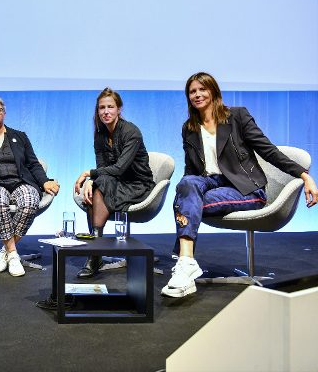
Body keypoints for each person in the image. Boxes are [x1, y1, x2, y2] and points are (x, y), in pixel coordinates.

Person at [162, 72, 318, 298]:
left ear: (213, 91)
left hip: (245, 188)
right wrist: (186, 190)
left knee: (185, 204)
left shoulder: (237, 116)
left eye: (202, 89)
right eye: (192, 91)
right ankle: (187, 262)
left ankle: (185, 264)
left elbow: (268, 150)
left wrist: (304, 175)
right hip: (210, 183)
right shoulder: (189, 128)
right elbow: (191, 170)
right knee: (186, 187)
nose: (197, 95)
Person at [0, 95, 60, 277]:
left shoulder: (20, 136)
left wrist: (45, 180)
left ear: (4, 113)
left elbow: (32, 164)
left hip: (21, 182)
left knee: (31, 200)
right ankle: (14, 256)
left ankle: (6, 251)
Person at [73, 87, 155, 278]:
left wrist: (88, 174)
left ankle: (94, 254)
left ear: (119, 109)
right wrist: (93, 181)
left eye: (110, 107)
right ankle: (96, 252)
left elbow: (119, 168)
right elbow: (103, 168)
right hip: (114, 182)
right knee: (96, 189)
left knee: (98, 188)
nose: (106, 112)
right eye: (102, 108)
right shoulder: (99, 134)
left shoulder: (131, 131)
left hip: (137, 184)